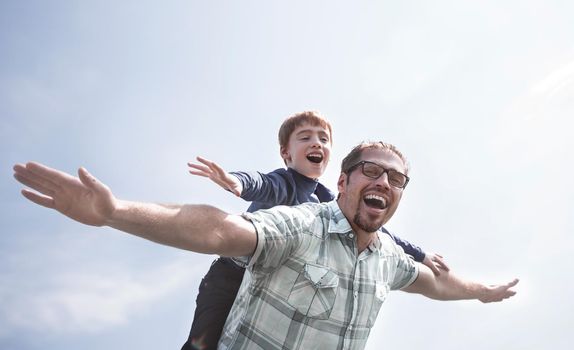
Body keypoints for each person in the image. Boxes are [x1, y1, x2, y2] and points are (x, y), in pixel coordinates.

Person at [12, 140, 518, 350]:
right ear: (341, 183)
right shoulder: (304, 223)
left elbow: (440, 286)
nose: (384, 181)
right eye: (371, 170)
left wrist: (483, 291)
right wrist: (115, 211)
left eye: (397, 179)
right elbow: (219, 229)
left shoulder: (389, 258)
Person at [182, 112, 448, 349]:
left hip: (272, 285)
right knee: (203, 340)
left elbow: (381, 233)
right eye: (305, 137)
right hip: (232, 275)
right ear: (286, 153)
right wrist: (236, 182)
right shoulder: (284, 182)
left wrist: (420, 254)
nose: (316, 143)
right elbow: (261, 183)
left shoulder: (327, 200)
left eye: (324, 139)